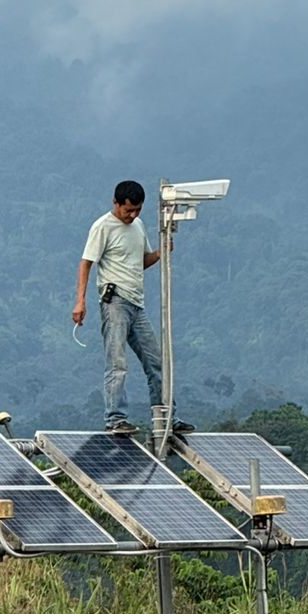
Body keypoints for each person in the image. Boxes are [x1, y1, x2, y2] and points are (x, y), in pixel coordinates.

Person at [73, 179, 194, 436]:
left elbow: (140, 262)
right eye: (128, 209)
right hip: (115, 302)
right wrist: (80, 301)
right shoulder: (102, 227)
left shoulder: (137, 226)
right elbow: (86, 263)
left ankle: (167, 418)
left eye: (137, 210)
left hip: (137, 304)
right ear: (115, 203)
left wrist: (160, 253)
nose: (132, 215)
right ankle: (115, 418)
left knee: (157, 361)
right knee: (117, 362)